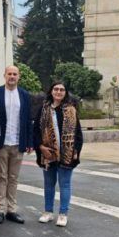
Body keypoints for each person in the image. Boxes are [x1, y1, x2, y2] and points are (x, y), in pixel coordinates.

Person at [33, 80, 83, 227]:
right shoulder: (43, 109)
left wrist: (75, 152)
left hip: (66, 154)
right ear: (51, 91)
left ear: (65, 93)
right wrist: (41, 147)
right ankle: (48, 212)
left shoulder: (71, 110)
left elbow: (78, 133)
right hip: (48, 154)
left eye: (62, 89)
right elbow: (36, 131)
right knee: (49, 184)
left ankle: (63, 214)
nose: (59, 92)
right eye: (56, 89)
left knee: (65, 184)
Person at [0, 65, 33, 225]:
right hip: (2, 143)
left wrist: (29, 142)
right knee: (1, 177)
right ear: (4, 75)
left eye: (15, 74)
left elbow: (28, 120)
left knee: (13, 178)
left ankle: (11, 210)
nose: (12, 76)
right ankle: (0, 210)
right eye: (9, 74)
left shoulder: (24, 95)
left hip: (18, 143)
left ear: (18, 76)